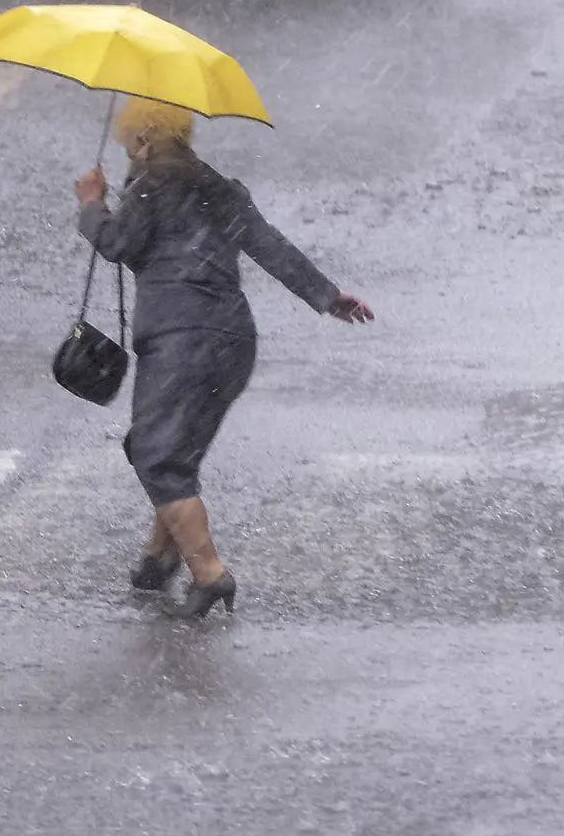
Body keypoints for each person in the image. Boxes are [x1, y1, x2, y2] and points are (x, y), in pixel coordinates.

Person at [73, 97, 373, 619]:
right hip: (232, 342)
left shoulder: (150, 186)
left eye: (130, 141)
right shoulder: (221, 189)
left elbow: (117, 244)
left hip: (179, 339)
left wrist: (93, 202)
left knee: (158, 454)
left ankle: (209, 574)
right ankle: (159, 558)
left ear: (143, 138)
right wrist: (328, 297)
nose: (126, 149)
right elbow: (271, 247)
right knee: (173, 449)